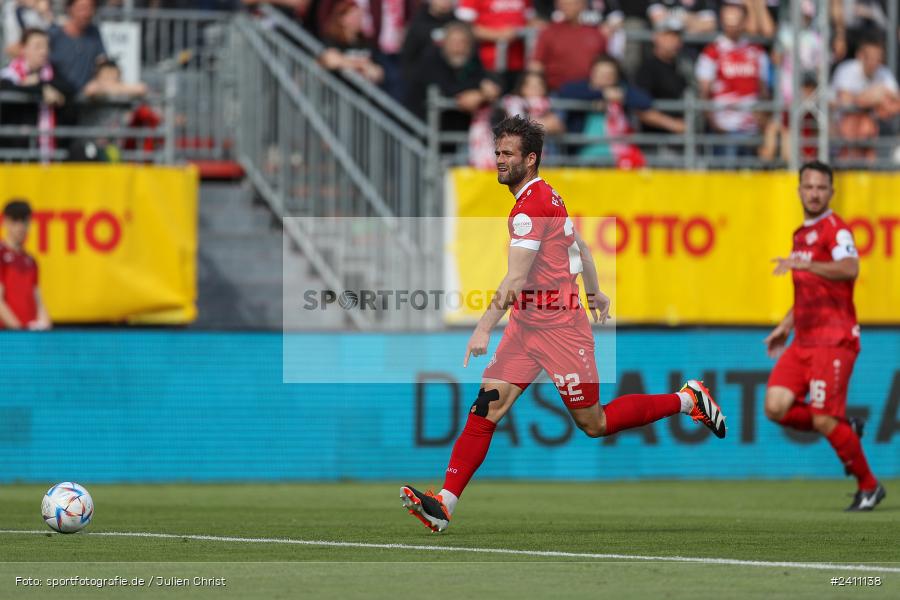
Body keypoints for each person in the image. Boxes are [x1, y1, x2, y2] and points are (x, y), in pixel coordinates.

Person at [399, 116, 726, 533]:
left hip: (560, 330)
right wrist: (594, 291)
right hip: (526, 327)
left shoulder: (530, 207)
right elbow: (581, 246)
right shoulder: (548, 196)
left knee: (595, 423)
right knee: (485, 409)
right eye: (497, 152)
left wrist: (483, 327)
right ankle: (444, 504)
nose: (499, 160)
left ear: (530, 159)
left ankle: (688, 400)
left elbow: (516, 279)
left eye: (507, 154)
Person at [764, 161, 884, 513]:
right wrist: (785, 326)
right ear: (799, 190)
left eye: (821, 187)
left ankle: (869, 487)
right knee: (775, 407)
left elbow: (851, 268)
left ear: (831, 192)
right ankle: (844, 428)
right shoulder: (800, 235)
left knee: (821, 418)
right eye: (808, 186)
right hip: (803, 340)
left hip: (834, 339)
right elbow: (806, 291)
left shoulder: (836, 230)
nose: (814, 193)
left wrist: (806, 265)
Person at [695, 2, 769, 161]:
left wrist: (762, 120)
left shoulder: (756, 51)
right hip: (724, 128)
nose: (732, 26)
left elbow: (763, 90)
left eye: (736, 21)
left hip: (751, 128)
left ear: (744, 21)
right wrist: (713, 123)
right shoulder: (712, 51)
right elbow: (704, 92)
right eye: (728, 22)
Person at [831, 35, 900, 160]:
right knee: (859, 122)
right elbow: (844, 101)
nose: (875, 63)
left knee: (867, 124)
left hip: (873, 125)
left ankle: (868, 168)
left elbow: (896, 103)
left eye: (879, 59)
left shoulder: (884, 72)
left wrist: (879, 101)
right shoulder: (846, 70)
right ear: (860, 56)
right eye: (871, 58)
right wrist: (873, 97)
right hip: (843, 125)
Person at [0, 28, 64, 159]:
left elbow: (69, 89)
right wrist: (41, 89)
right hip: (13, 153)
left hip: (43, 151)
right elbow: (7, 87)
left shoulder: (52, 73)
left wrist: (39, 85)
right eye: (38, 46)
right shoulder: (10, 74)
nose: (44, 51)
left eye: (46, 46)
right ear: (23, 49)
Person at [528, 0, 607, 92]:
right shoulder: (549, 32)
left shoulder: (595, 33)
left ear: (583, 5)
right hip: (557, 91)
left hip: (590, 91)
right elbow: (536, 64)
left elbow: (604, 63)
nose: (568, 8)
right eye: (564, 4)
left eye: (572, 4)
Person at [0, 199, 51, 331]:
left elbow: (38, 301)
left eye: (24, 221)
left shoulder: (31, 261)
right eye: (15, 221)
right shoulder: (1, 255)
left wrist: (45, 326)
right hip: (7, 338)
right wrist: (19, 331)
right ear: (5, 222)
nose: (20, 227)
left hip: (28, 338)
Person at [48, 0, 107, 96]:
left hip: (85, 101)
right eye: (82, 8)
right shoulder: (54, 35)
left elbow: (103, 63)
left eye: (91, 8)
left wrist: (98, 81)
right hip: (58, 100)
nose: (87, 13)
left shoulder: (94, 33)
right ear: (69, 9)